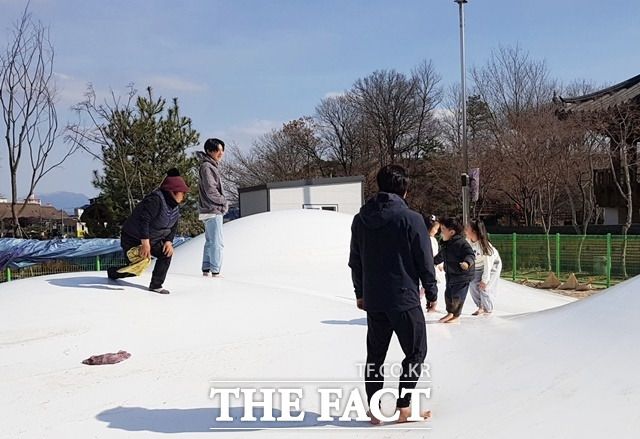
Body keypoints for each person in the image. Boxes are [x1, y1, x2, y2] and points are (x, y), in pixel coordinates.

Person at [349, 165, 437, 424]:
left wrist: (360, 292)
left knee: (375, 355)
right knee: (416, 351)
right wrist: (431, 291)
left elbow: (356, 261)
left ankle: (375, 411)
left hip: (374, 299)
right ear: (404, 190)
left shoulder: (360, 219)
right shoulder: (411, 218)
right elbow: (424, 259)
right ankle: (404, 407)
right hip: (404, 299)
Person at [107, 168, 189, 294]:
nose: (183, 196)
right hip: (132, 238)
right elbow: (143, 220)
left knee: (166, 254)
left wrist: (168, 242)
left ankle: (156, 285)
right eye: (182, 193)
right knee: (137, 267)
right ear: (173, 192)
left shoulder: (174, 207)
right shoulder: (155, 200)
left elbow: (173, 225)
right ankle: (113, 273)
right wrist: (145, 243)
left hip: (154, 239)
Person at [434, 216, 475, 323]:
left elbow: (470, 254)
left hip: (462, 276)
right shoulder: (446, 244)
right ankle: (450, 313)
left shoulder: (461, 244)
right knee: (448, 295)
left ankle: (456, 316)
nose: (440, 232)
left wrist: (467, 263)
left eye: (443, 230)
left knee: (457, 296)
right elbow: (441, 256)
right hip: (451, 275)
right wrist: (431, 262)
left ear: (452, 232)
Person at [197, 138, 228, 278]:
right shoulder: (208, 167)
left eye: (222, 150)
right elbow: (211, 190)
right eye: (217, 150)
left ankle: (206, 268)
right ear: (209, 151)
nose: (220, 153)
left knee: (210, 241)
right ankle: (216, 271)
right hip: (212, 209)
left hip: (206, 209)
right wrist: (223, 201)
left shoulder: (208, 166)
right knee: (217, 242)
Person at [464, 218, 502, 315]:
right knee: (472, 285)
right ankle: (480, 306)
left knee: (484, 287)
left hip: (492, 265)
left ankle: (488, 309)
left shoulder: (484, 246)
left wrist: (484, 280)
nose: (465, 229)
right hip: (477, 265)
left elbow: (488, 265)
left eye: (467, 227)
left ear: (474, 231)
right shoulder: (467, 241)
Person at [423, 215, 446, 311]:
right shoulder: (429, 240)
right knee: (429, 285)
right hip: (430, 265)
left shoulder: (430, 239)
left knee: (427, 285)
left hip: (433, 265)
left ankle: (430, 304)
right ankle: (432, 304)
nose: (436, 231)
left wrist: (440, 264)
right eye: (435, 229)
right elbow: (434, 254)